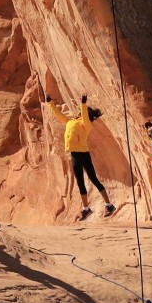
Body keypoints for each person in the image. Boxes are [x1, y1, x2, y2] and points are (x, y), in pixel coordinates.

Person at [41, 82, 115, 219]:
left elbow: (85, 117)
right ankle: (86, 208)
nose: (79, 112)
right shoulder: (70, 122)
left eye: (81, 112)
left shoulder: (86, 124)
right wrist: (50, 103)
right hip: (74, 154)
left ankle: (109, 205)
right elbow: (59, 115)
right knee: (80, 181)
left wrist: (83, 103)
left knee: (93, 179)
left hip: (83, 154)